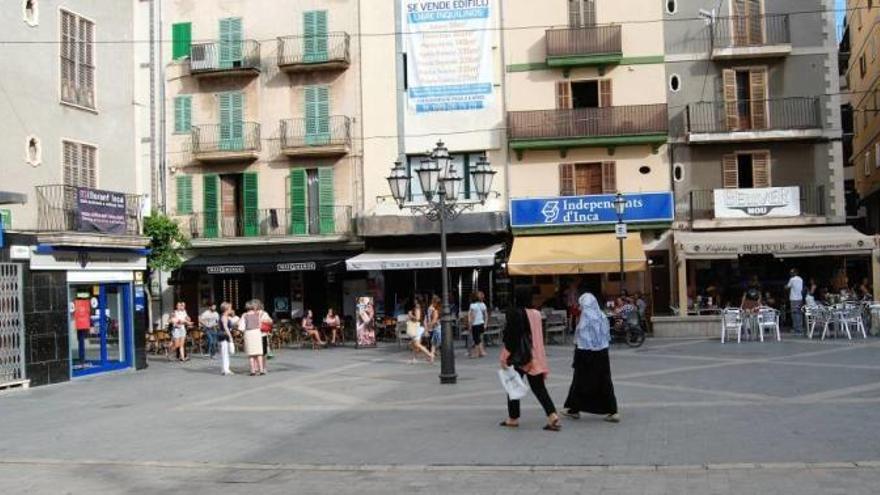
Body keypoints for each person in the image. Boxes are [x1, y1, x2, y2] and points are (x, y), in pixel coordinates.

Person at [499, 287, 561, 432]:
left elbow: (512, 337)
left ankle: (513, 418)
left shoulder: (515, 313)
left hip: (519, 357)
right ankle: (552, 415)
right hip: (535, 356)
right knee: (539, 388)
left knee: (513, 386)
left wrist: (504, 355)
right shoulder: (537, 314)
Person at [563, 291, 620, 423]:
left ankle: (574, 409)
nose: (580, 307)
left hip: (585, 354)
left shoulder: (585, 319)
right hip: (602, 353)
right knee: (604, 382)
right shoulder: (602, 316)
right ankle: (612, 411)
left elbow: (582, 339)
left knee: (579, 381)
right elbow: (606, 335)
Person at [238, 300, 267, 376]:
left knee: (251, 354)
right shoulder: (258, 314)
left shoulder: (244, 315)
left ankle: (252, 371)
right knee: (259, 353)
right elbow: (260, 325)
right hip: (257, 333)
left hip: (249, 333)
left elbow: (241, 327)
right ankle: (261, 370)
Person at [407, 297, 432, 364]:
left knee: (416, 344)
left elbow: (417, 318)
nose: (413, 301)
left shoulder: (417, 308)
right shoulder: (421, 307)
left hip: (417, 327)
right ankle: (414, 358)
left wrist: (411, 315)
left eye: (415, 299)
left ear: (416, 301)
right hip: (420, 327)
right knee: (414, 344)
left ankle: (430, 355)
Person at [468, 291, 489, 359]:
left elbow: (473, 316)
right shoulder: (481, 305)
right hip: (481, 323)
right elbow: (485, 315)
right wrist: (485, 324)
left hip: (475, 324)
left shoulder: (472, 305)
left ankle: (476, 353)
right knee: (480, 338)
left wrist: (470, 325)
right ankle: (482, 352)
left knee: (476, 339)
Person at [785, 268, 804, 335]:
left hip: (794, 299)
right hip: (800, 298)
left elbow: (787, 287)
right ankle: (800, 328)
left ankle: (797, 329)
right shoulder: (800, 279)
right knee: (799, 313)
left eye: (791, 272)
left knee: (794, 314)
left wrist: (785, 287)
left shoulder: (792, 279)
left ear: (795, 273)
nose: (790, 274)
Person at [218, 302, 235, 376]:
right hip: (224, 336)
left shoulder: (225, 316)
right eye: (230, 308)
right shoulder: (224, 317)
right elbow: (225, 327)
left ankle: (224, 369)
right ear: (226, 309)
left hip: (224, 335)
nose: (231, 309)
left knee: (225, 352)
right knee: (225, 353)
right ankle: (226, 369)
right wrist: (230, 336)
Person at [425, 295, 442, 361]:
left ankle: (432, 357)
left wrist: (428, 326)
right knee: (434, 344)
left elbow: (434, 320)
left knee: (437, 343)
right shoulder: (436, 309)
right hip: (436, 328)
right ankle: (431, 357)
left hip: (437, 328)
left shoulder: (434, 310)